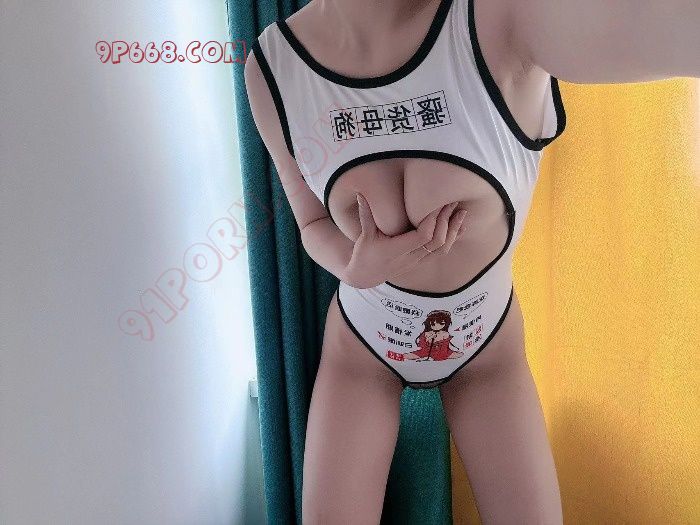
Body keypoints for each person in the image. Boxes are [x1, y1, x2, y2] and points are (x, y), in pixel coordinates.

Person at [244, 0, 700, 522]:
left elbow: (661, 25)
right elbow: (310, 223)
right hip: (361, 350)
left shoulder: (499, 19)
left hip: (487, 352)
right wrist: (353, 266)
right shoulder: (272, 68)